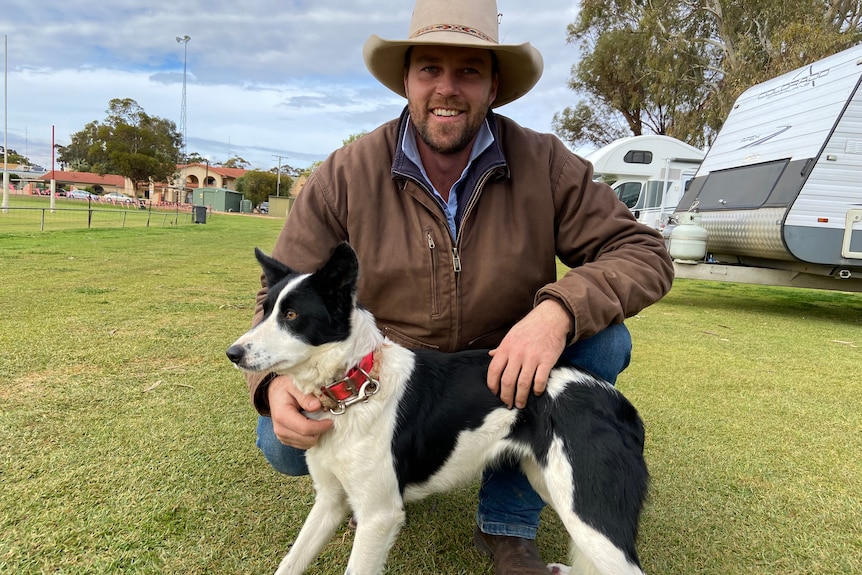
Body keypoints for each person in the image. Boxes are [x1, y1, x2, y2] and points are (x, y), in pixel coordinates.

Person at [245, 0, 674, 572]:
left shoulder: (545, 162)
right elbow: (277, 301)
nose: (447, 88)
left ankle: (507, 526)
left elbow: (644, 251)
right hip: (390, 379)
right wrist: (269, 387)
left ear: (494, 84)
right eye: (430, 69)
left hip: (505, 364)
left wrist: (557, 312)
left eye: (469, 70)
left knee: (605, 342)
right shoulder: (344, 174)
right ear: (406, 80)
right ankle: (391, 466)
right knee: (281, 441)